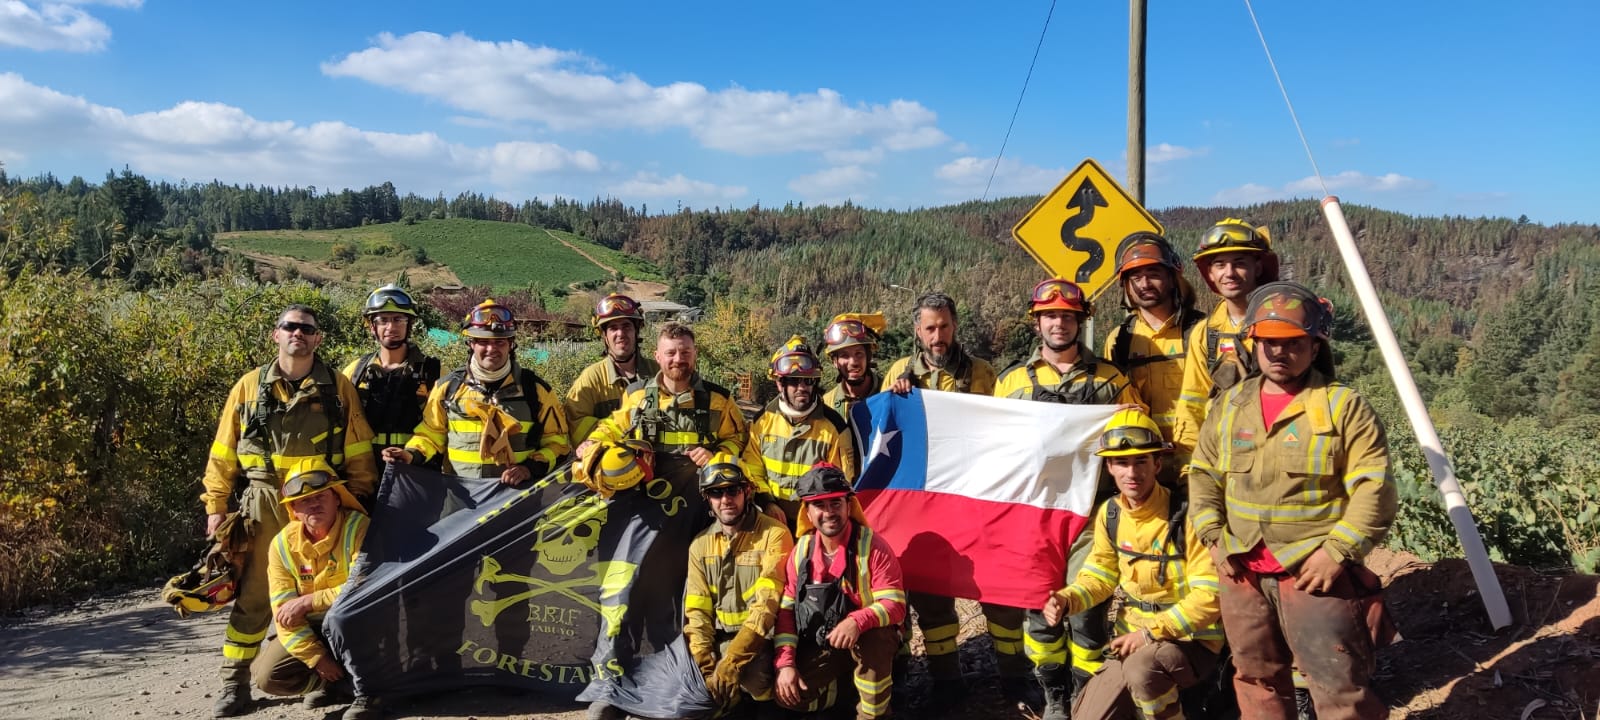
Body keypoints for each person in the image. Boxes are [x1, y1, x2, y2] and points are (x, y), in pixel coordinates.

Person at [1188, 282, 1397, 720]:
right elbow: (1204, 474)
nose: (1279, 353)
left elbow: (1373, 488)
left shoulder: (1343, 407)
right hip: (1242, 569)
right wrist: (1212, 537)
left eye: (1293, 343)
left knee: (1338, 688)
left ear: (1314, 345)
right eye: (1269, 343)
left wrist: (1338, 552)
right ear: (1254, 343)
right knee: (1256, 680)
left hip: (1314, 572)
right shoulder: (1229, 406)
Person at [200, 304, 377, 718]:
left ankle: (336, 678)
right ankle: (234, 683)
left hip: (321, 501)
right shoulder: (248, 387)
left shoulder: (338, 386)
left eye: (307, 329)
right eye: (289, 327)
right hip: (263, 501)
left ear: (317, 339)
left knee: (338, 588)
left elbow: (357, 451)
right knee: (256, 596)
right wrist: (216, 504)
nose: (298, 333)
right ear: (275, 335)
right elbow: (223, 452)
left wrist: (359, 501)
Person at [993, 278, 1145, 719]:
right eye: (1050, 315)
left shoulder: (1110, 381)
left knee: (1087, 613)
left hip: (1090, 518)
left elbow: (1135, 436)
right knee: (1039, 613)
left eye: (1068, 316)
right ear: (1037, 322)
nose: (1059, 323)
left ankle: (1087, 699)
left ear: (1081, 321)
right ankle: (1054, 698)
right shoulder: (1012, 382)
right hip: (1033, 518)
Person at [882, 292, 1025, 710]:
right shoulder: (898, 372)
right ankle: (946, 681)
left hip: (976, 499)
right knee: (931, 598)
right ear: (917, 330)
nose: (938, 336)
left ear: (955, 325)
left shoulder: (983, 373)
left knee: (998, 590)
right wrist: (896, 394)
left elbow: (1004, 430)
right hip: (925, 506)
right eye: (930, 328)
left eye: (944, 326)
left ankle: (1014, 677)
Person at [1039, 409, 1224, 720]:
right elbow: (1099, 576)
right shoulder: (1110, 515)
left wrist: (1150, 633)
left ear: (1158, 464)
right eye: (1121, 463)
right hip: (1131, 640)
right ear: (1109, 467)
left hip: (1191, 641)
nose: (1131, 473)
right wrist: (1066, 599)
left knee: (1143, 671)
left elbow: (1210, 596)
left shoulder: (1188, 517)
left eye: (1141, 462)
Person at [385, 299, 569, 484]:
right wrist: (410, 455)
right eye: (483, 341)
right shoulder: (447, 388)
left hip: (517, 502)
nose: (491, 349)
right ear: (471, 344)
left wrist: (529, 469)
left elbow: (558, 444)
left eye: (500, 342)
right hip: (462, 502)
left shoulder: (536, 390)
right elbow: (430, 436)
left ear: (511, 344)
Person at [774, 465, 907, 719]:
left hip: (867, 639)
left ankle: (874, 713)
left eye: (835, 503)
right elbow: (787, 611)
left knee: (875, 642)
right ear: (808, 513)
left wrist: (857, 621)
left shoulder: (872, 546)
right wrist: (786, 663)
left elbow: (895, 604)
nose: (829, 513)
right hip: (824, 640)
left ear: (848, 505)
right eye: (820, 506)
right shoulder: (801, 551)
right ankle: (843, 694)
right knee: (787, 696)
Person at [250, 459, 376, 719]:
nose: (314, 504)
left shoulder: (358, 528)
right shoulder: (281, 545)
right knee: (266, 676)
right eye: (305, 501)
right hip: (317, 629)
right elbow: (283, 612)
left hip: (358, 623)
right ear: (294, 510)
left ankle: (372, 692)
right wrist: (317, 659)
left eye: (321, 496)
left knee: (342, 616)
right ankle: (337, 685)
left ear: (337, 498)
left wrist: (308, 602)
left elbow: (363, 588)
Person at [576, 322, 747, 494]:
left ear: (695, 354)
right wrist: (593, 442)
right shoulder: (637, 395)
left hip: (700, 497)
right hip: (648, 495)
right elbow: (614, 427)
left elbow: (738, 439)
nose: (678, 359)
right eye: (670, 353)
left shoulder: (719, 399)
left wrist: (715, 454)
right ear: (657, 357)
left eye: (685, 352)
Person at [684, 454, 796, 716]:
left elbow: (767, 604)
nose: (725, 500)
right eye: (716, 493)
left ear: (747, 491)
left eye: (733, 490)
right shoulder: (699, 545)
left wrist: (733, 661)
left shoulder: (774, 534)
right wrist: (706, 667)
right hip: (720, 639)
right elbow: (697, 612)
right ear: (707, 499)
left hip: (763, 640)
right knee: (697, 688)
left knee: (754, 678)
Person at [1171, 218, 1280, 458]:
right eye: (1220, 264)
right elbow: (1192, 404)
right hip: (1222, 460)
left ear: (1258, 268)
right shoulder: (1205, 333)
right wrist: (1188, 468)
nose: (1229, 273)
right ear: (1210, 273)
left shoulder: (1282, 325)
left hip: (1276, 460)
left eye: (1239, 263)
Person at [1101, 233, 1204, 482]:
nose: (1145, 283)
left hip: (1199, 467)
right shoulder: (1119, 340)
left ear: (1172, 278)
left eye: (1154, 274)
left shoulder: (1202, 332)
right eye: (1135, 277)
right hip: (1141, 473)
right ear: (1124, 285)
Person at [743, 338, 858, 526]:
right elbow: (753, 469)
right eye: (794, 381)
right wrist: (767, 502)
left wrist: (812, 516)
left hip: (815, 523)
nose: (802, 387)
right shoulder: (762, 421)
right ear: (780, 384)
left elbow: (841, 483)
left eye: (808, 381)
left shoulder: (834, 427)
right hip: (770, 518)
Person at [342, 284, 441, 452]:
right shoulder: (355, 372)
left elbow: (439, 428)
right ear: (372, 326)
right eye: (383, 320)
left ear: (409, 324)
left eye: (398, 319)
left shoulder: (433, 372)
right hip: (367, 469)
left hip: (416, 471)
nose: (391, 327)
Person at [565, 293, 658, 445]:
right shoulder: (591, 379)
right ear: (604, 336)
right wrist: (621, 430)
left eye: (626, 326)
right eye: (613, 328)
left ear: (636, 331)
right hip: (608, 463)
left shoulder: (657, 374)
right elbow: (575, 425)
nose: (620, 334)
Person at [820, 313, 885, 420]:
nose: (853, 362)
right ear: (835, 362)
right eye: (844, 355)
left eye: (859, 353)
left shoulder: (887, 392)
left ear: (868, 356)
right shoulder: (827, 404)